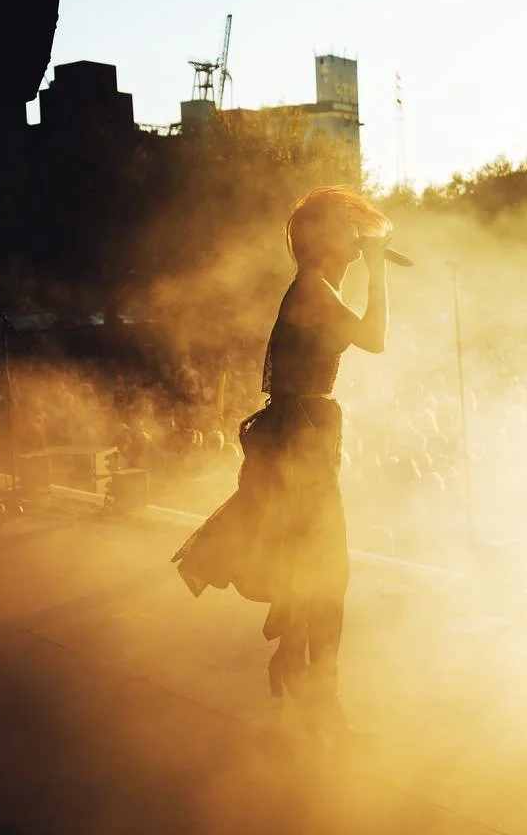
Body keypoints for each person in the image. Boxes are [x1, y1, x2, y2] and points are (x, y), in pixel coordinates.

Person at [172, 185, 392, 743]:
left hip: (306, 439)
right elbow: (374, 339)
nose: (355, 239)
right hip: (300, 443)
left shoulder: (314, 288)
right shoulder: (312, 291)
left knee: (310, 564)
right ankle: (320, 696)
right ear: (321, 239)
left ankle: (296, 665)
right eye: (347, 229)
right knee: (326, 569)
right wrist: (379, 274)